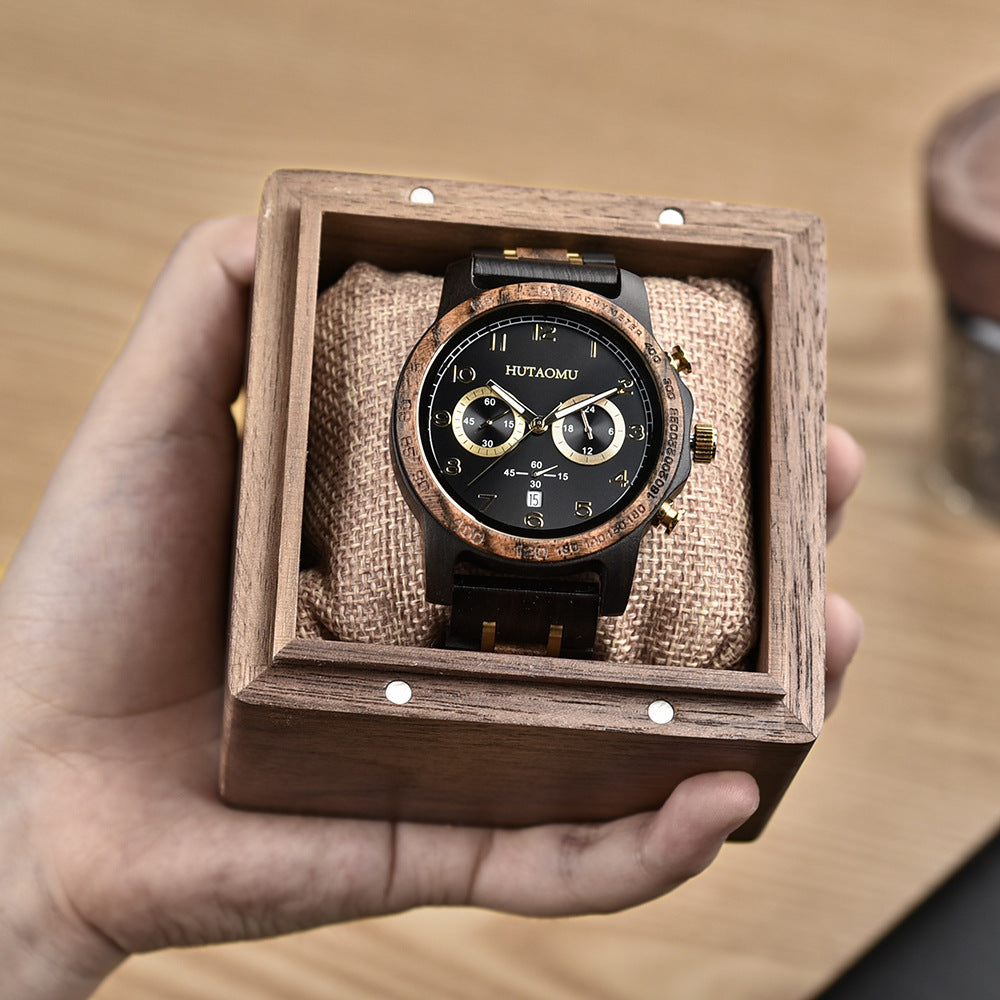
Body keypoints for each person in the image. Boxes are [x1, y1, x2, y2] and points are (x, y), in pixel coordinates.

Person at [0, 217, 865, 1000]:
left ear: (681, 449)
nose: (538, 435)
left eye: (588, 430)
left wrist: (45, 901)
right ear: (424, 416)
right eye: (491, 422)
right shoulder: (425, 511)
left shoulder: (656, 478)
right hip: (459, 530)